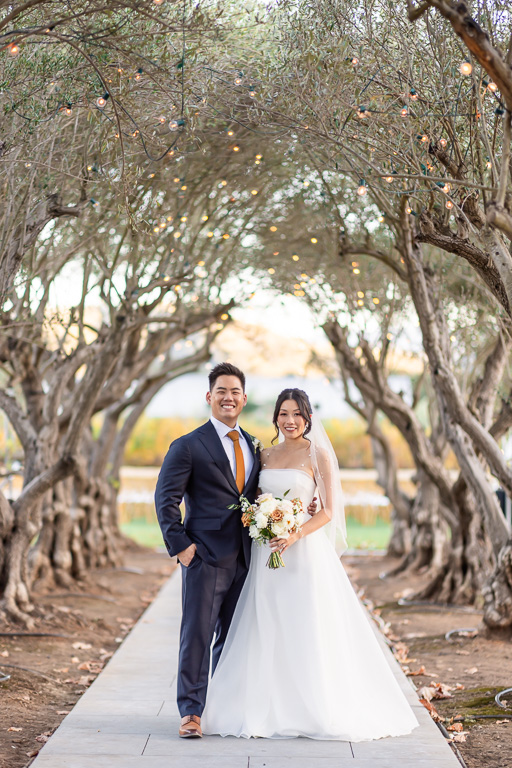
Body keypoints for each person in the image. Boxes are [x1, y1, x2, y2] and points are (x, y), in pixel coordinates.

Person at [202, 388, 420, 741]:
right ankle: (263, 706)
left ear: (308, 419)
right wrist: (261, 520)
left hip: (302, 553)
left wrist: (294, 534)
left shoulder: (318, 455)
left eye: (297, 415)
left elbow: (329, 512)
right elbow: (253, 499)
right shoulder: (265, 454)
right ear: (275, 417)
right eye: (284, 414)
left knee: (303, 622)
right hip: (266, 552)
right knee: (265, 621)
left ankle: (310, 707)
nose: (290, 421)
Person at [155, 365, 316, 738]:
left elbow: (261, 495)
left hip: (249, 558)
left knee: (235, 638)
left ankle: (225, 708)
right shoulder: (188, 445)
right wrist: (182, 549)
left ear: (244, 399)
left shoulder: (254, 445)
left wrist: (299, 508)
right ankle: (191, 712)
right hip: (205, 557)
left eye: (235, 392)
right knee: (197, 634)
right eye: (221, 391)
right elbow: (166, 500)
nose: (229, 398)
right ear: (209, 397)